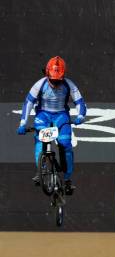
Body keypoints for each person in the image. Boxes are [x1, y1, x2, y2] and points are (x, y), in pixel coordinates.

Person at [17, 56, 87, 195]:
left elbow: (80, 102)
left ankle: (67, 179)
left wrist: (80, 116)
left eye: (58, 80)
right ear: (47, 74)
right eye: (52, 80)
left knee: (66, 143)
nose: (55, 83)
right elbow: (28, 103)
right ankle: (41, 171)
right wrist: (23, 123)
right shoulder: (39, 84)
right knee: (40, 140)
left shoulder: (69, 85)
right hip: (43, 115)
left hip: (61, 116)